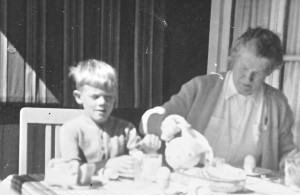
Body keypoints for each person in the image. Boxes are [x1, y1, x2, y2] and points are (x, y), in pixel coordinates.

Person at [140, 27, 298, 171]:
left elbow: (287, 154)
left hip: (249, 189)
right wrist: (163, 123)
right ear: (233, 58)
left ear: (269, 72)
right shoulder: (202, 87)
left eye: (258, 73)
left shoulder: (277, 103)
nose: (248, 78)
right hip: (198, 181)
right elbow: (146, 121)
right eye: (244, 68)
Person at [59, 59, 161, 178]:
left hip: (119, 191)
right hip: (85, 190)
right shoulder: (71, 129)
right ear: (78, 97)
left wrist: (148, 150)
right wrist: (107, 164)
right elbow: (72, 170)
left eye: (108, 97)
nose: (102, 102)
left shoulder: (126, 128)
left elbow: (139, 160)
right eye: (95, 96)